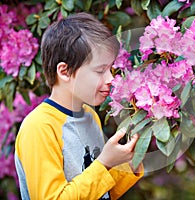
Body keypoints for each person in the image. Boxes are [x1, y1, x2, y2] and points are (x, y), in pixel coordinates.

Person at [14, 12, 144, 200]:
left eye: (111, 69)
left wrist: (134, 156)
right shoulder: (40, 127)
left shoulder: (89, 116)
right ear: (64, 72)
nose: (111, 79)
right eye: (100, 70)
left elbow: (102, 192)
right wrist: (105, 163)